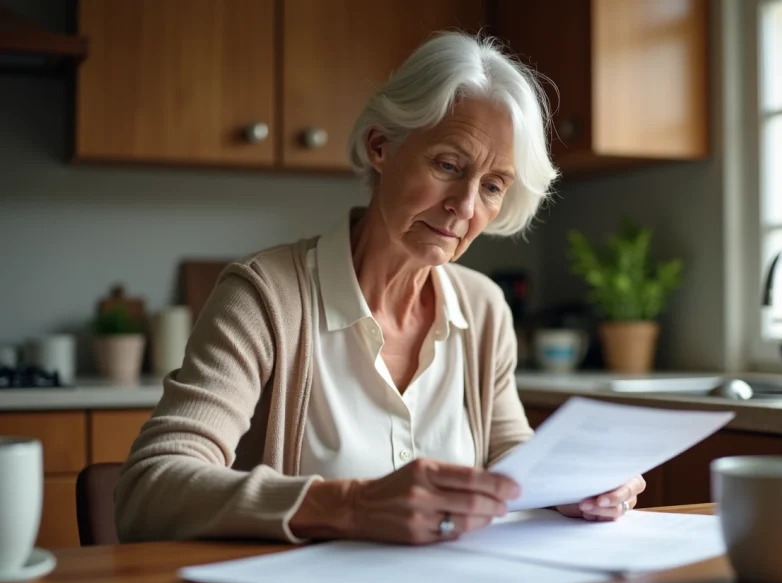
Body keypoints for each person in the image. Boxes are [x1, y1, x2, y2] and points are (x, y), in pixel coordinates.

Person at [114, 31, 645, 546]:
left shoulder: (483, 308)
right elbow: (149, 489)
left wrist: (573, 486)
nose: (464, 207)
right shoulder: (264, 297)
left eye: (491, 186)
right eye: (447, 165)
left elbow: (508, 451)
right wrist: (353, 506)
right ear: (380, 147)